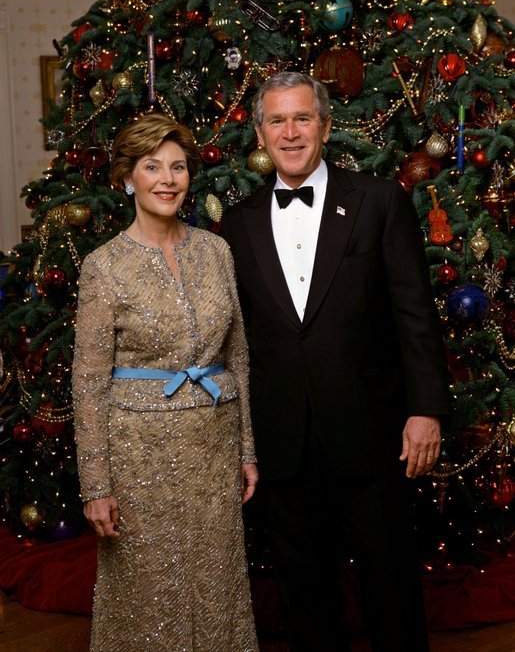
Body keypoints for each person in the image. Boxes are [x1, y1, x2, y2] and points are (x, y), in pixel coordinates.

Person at [222, 72, 450, 652]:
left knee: (391, 589)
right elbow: (237, 342)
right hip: (284, 441)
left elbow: (415, 316)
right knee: (305, 598)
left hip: (372, 434)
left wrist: (425, 410)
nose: (290, 132)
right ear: (259, 130)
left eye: (302, 118)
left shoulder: (378, 200)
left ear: (325, 125)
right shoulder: (237, 222)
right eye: (277, 120)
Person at [73, 113, 259, 651]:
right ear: (128, 177)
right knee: (150, 593)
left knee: (217, 580)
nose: (167, 179)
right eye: (152, 166)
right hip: (139, 456)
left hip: (214, 449)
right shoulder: (103, 267)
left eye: (177, 167)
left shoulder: (216, 251)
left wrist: (247, 449)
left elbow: (238, 357)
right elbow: (87, 384)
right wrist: (97, 485)